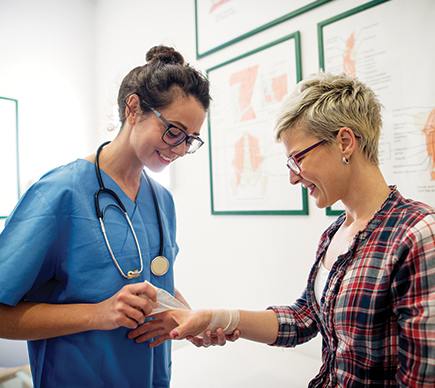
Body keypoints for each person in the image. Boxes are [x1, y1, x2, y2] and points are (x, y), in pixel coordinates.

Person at [129, 72, 435, 387]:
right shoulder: (334, 233)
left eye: (297, 159)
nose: (293, 177)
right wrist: (215, 318)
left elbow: (421, 379)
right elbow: (303, 319)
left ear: (345, 141)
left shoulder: (417, 235)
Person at [0, 45, 232, 388]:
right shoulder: (59, 194)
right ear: (134, 108)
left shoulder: (161, 200)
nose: (181, 149)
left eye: (191, 140)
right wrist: (99, 313)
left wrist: (188, 318)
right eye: (174, 131)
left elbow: (149, 280)